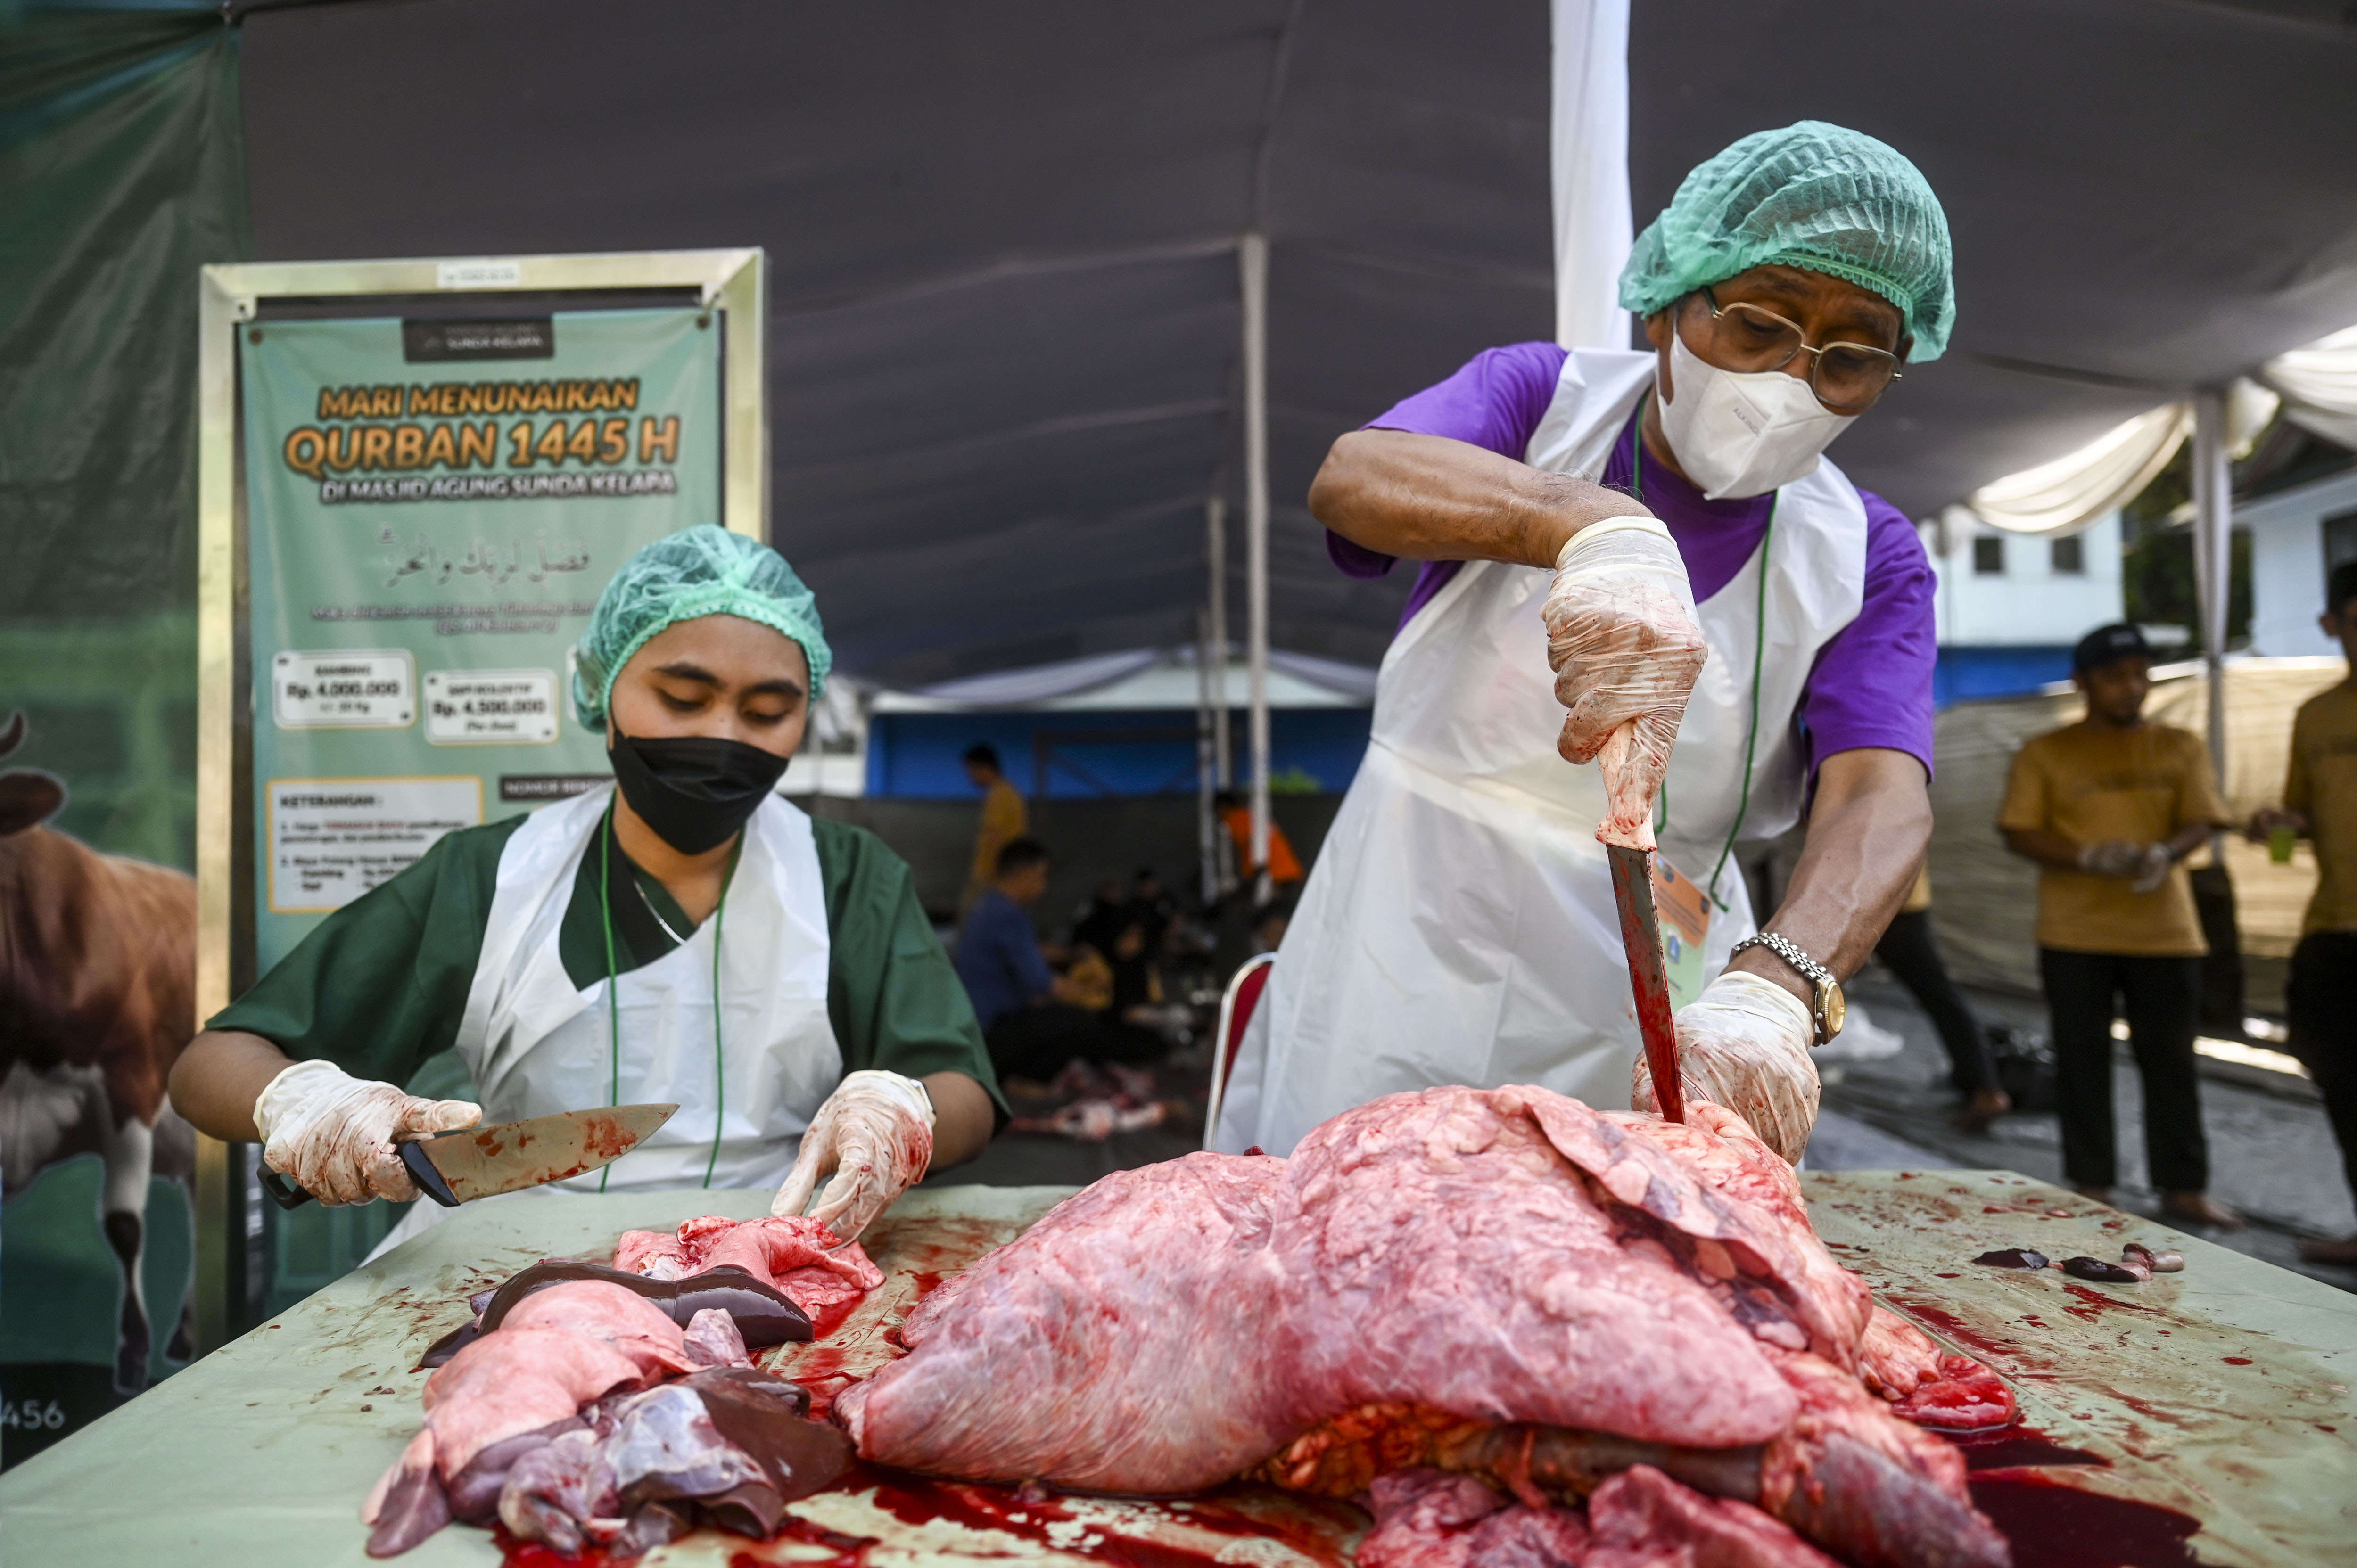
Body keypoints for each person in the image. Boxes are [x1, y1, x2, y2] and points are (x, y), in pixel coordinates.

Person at [1212, 122, 1954, 1163]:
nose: (1792, 379)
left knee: (1596, 1268)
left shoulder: (1865, 553)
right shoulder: (1543, 404)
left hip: (1646, 976)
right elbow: (1356, 476)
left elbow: (1880, 793)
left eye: (1848, 357)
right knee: (1356, 1232)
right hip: (1410, 933)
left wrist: (1775, 986)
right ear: (1663, 303)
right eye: (1756, 326)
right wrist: (1584, 523)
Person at [168, 526, 1003, 1248]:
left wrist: (905, 1116)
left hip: (775, 1263)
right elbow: (212, 1063)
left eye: (764, 713)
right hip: (514, 1273)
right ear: (603, 695)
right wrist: (301, 1103)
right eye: (682, 697)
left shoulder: (847, 878)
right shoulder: (493, 878)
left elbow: (964, 1088)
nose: (720, 736)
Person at [1998, 623, 2238, 1228]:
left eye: (2139, 674)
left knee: (2172, 1064)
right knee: (2081, 1062)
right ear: (2082, 684)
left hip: (2165, 932)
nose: (2131, 687)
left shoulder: (2180, 745)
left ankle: (2183, 1188)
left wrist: (2166, 853)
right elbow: (2017, 829)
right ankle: (2091, 1183)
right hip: (2074, 933)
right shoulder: (2045, 752)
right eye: (2114, 677)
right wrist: (2085, 856)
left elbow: (2203, 819)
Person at [2250, 561, 2357, 1264]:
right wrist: (2278, 826)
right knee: (2336, 1071)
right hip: (2334, 925)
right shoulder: (2316, 715)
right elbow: (2303, 827)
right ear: (2332, 623)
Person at [955, 838, 1162, 1084]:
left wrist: (1071, 954)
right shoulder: (1009, 916)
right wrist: (1092, 995)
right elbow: (1042, 983)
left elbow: (1029, 950)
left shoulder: (988, 905)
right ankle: (1021, 1078)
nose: (1044, 885)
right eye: (1042, 875)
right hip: (996, 1029)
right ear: (1024, 874)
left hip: (976, 1025)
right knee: (1080, 1022)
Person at [1874, 865, 2008, 1130]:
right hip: (1883, 895)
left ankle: (1985, 1086)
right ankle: (1982, 1084)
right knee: (1937, 992)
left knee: (1937, 991)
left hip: (1885, 896)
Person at [960, 744, 1026, 913]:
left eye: (971, 771)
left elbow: (996, 837)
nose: (970, 777)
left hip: (991, 877)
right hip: (1001, 876)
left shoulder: (999, 796)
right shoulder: (1009, 792)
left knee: (973, 922)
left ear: (984, 768)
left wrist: (995, 879)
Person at [1215, 789, 1304, 893]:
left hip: (1278, 876)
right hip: (1288, 872)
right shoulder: (1248, 816)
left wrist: (1248, 877)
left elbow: (1245, 846)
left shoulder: (1236, 818)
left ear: (1222, 807)